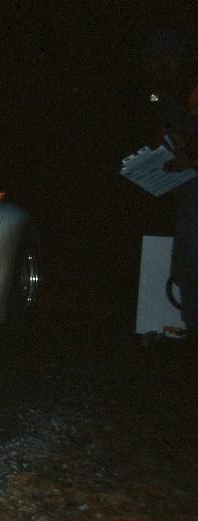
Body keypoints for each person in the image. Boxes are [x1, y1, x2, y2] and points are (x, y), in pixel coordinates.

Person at [141, 30, 198, 339]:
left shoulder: (190, 88)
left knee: (191, 260)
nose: (151, 70)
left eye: (157, 62)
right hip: (185, 189)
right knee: (187, 262)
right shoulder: (164, 94)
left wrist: (187, 159)